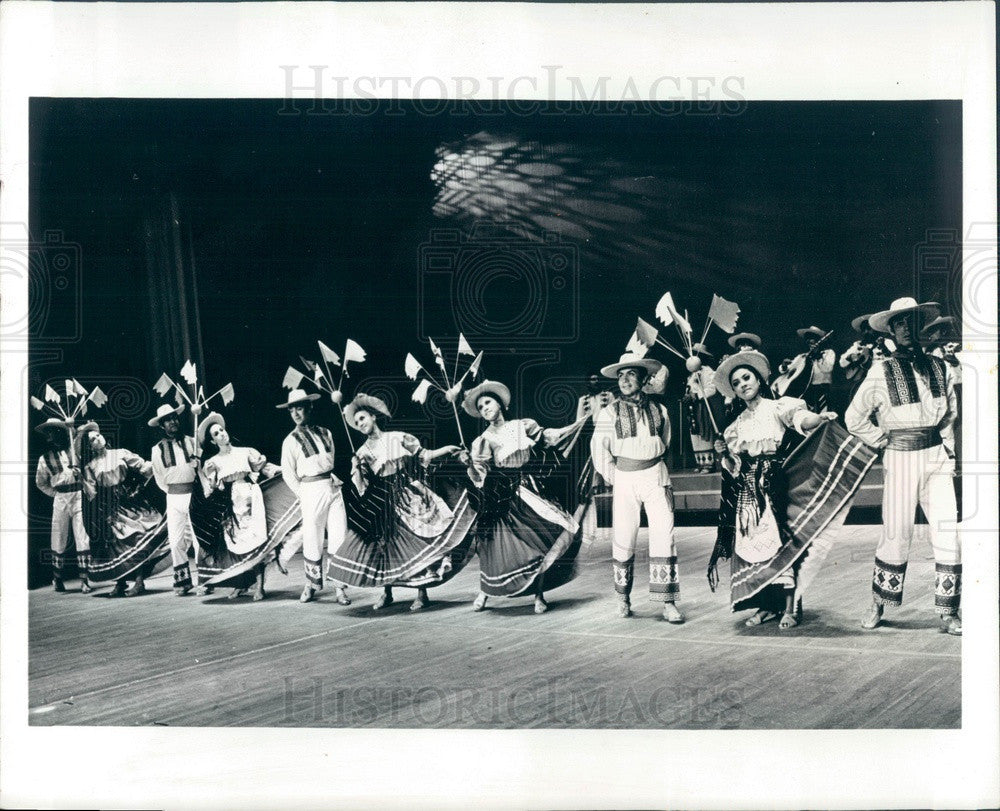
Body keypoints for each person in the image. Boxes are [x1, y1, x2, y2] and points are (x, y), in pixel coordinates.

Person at [707, 351, 873, 628]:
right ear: (734, 391)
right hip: (750, 490)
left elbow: (801, 419)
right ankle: (765, 605)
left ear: (759, 379)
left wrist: (818, 420)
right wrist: (723, 453)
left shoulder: (778, 407)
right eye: (737, 383)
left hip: (776, 485)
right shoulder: (734, 427)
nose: (743, 384)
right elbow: (733, 466)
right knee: (755, 546)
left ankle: (790, 607)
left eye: (747, 377)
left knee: (782, 544)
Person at [845, 297, 961, 635]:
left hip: (936, 457)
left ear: (919, 327)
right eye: (899, 324)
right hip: (900, 457)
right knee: (896, 532)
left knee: (948, 532)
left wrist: (949, 451)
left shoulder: (941, 367)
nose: (906, 329)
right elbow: (854, 418)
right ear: (892, 330)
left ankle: (949, 611)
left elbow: (950, 415)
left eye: (911, 322)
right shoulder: (880, 371)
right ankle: (878, 603)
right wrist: (883, 441)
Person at [326, 393, 475, 611]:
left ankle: (421, 593)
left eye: (363, 418)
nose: (361, 424)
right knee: (385, 548)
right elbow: (361, 487)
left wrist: (446, 449)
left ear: (373, 417)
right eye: (357, 423)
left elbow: (423, 455)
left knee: (415, 543)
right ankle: (387, 593)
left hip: (407, 494)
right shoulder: (361, 452)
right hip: (381, 499)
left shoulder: (397, 437)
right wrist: (357, 469)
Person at [458, 380, 588, 614]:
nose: (485, 408)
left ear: (499, 403)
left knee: (539, 540)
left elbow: (548, 438)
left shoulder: (522, 426)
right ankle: (486, 592)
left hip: (529, 487)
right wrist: (470, 465)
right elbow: (480, 475)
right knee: (494, 547)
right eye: (481, 407)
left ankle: (538, 594)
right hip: (500, 494)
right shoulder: (483, 440)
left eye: (488, 402)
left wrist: (573, 425)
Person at [590, 352, 683, 622]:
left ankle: (668, 601)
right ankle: (623, 599)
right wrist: (617, 478)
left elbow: (665, 441)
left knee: (664, 537)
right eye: (621, 375)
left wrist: (654, 469)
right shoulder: (609, 412)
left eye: (631, 374)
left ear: (643, 379)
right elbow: (599, 451)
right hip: (625, 479)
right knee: (624, 537)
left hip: (655, 476)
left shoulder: (659, 410)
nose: (625, 379)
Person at [195, 412, 299, 601]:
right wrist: (201, 472)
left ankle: (259, 586)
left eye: (222, 430)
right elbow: (210, 489)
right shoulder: (214, 462)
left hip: (251, 500)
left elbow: (266, 468)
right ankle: (240, 584)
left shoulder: (245, 452)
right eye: (217, 434)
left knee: (254, 542)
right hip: (231, 505)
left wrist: (288, 470)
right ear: (213, 441)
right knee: (236, 545)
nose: (222, 434)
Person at [76, 422, 168, 597]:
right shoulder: (91, 467)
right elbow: (91, 492)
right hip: (110, 508)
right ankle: (120, 583)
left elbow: (144, 467)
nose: (97, 439)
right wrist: (81, 479)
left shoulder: (120, 453)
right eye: (92, 440)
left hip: (131, 503)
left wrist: (157, 466)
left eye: (97, 435)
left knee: (135, 541)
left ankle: (139, 582)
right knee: (116, 547)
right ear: (90, 447)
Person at [278, 388, 351, 605]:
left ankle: (339, 588)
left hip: (332, 487)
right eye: (292, 410)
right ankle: (310, 585)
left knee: (339, 536)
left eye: (299, 408)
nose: (296, 414)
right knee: (313, 537)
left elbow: (331, 460)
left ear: (309, 407)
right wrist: (304, 494)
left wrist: (332, 479)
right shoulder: (290, 440)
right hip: (310, 490)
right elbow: (288, 473)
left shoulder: (326, 432)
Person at [149, 402, 201, 595]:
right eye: (167, 420)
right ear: (162, 425)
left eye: (174, 418)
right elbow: (159, 477)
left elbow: (201, 469)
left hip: (193, 494)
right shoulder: (157, 449)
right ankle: (183, 582)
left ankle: (204, 580)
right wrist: (174, 491)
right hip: (173, 497)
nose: (172, 422)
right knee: (176, 540)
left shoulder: (191, 441)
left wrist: (198, 464)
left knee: (197, 539)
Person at [34, 417, 91, 593]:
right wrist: (56, 494)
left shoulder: (75, 451)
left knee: (83, 536)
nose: (51, 435)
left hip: (78, 495)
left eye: (54, 431)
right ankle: (57, 578)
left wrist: (79, 473)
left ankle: (85, 579)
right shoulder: (45, 459)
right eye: (48, 432)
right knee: (58, 538)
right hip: (61, 498)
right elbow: (41, 483)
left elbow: (88, 469)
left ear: (61, 433)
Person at [683, 343, 719, 473]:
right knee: (695, 432)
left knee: (704, 431)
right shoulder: (692, 374)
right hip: (692, 406)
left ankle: (708, 464)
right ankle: (700, 462)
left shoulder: (708, 371)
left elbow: (712, 389)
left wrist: (697, 396)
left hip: (702, 405)